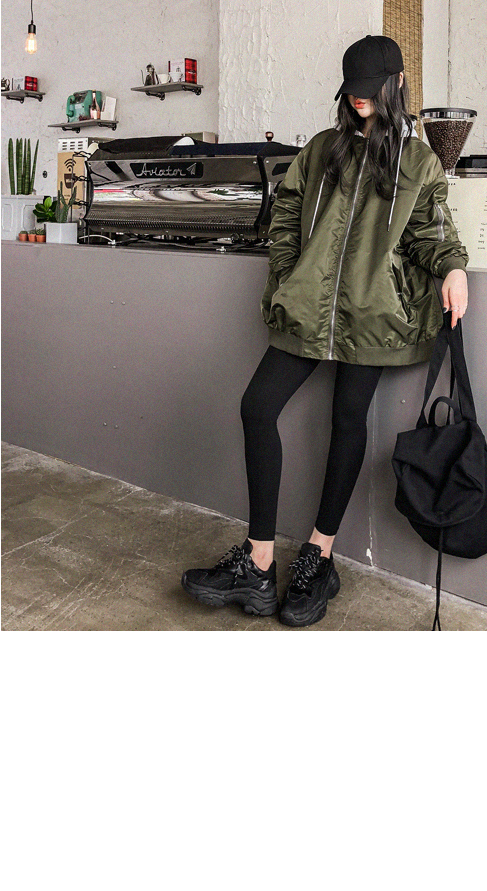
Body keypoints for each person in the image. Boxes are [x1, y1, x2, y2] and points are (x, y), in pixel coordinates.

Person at [182, 33, 468, 625]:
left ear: (395, 85)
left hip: (372, 312)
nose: (359, 100)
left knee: (346, 421)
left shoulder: (417, 161)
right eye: (352, 90)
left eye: (370, 90)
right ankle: (259, 562)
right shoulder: (321, 150)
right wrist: (288, 277)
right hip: (309, 307)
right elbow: (286, 216)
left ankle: (320, 554)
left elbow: (431, 230)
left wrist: (454, 267)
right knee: (257, 406)